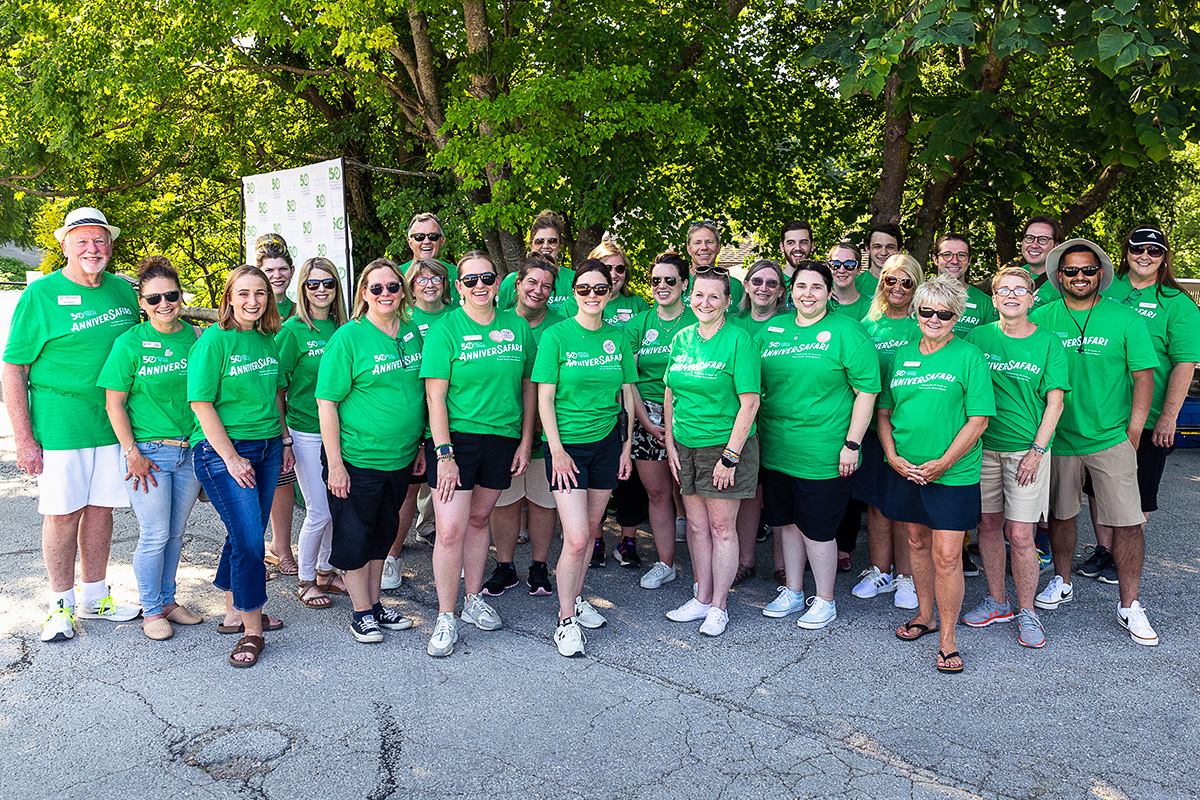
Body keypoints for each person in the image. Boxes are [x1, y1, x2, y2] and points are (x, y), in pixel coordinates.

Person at [4, 207, 141, 643]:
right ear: (64, 245)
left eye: (100, 240)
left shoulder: (123, 292)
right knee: (63, 515)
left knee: (101, 509)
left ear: (110, 246)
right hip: (61, 425)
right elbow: (13, 369)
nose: (92, 249)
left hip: (114, 425)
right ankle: (58, 606)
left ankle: (95, 597)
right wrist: (24, 438)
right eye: (81, 240)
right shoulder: (41, 294)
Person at [1029, 239, 1159, 646]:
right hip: (1059, 439)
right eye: (1071, 271)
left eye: (1088, 270)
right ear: (1058, 276)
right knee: (1062, 518)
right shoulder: (1042, 318)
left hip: (1110, 437)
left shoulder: (1126, 319)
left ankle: (1130, 606)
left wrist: (1134, 432)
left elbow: (1144, 378)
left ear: (1100, 274)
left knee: (1128, 523)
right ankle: (1062, 582)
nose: (1080, 277)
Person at [420, 251, 536, 657]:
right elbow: (435, 397)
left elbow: (528, 387)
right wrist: (444, 453)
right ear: (459, 287)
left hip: (502, 438)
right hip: (456, 442)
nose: (480, 286)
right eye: (470, 280)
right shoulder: (445, 329)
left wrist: (525, 441)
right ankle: (445, 616)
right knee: (450, 530)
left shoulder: (518, 326)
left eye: (486, 278)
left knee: (479, 519)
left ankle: (472, 600)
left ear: (497, 281)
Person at [878, 276, 995, 673]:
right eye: (926, 311)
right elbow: (885, 411)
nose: (934, 319)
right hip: (907, 468)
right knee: (915, 539)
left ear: (957, 316)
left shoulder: (969, 356)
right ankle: (924, 616)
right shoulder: (902, 354)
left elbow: (978, 419)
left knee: (948, 555)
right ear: (916, 311)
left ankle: (948, 638)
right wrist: (892, 456)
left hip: (953, 472)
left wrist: (944, 462)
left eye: (944, 313)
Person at [756, 261, 879, 629]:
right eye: (800, 286)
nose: (807, 293)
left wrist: (852, 443)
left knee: (818, 529)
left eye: (815, 287)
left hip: (824, 450)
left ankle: (825, 599)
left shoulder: (847, 331)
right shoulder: (773, 330)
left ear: (829, 292)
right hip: (777, 448)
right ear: (789, 291)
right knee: (788, 524)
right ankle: (793, 592)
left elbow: (867, 391)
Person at [1077, 226, 1200, 584]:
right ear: (1125, 252)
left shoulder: (1178, 304)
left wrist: (1169, 418)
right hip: (1101, 414)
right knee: (1097, 488)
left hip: (1148, 418)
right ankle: (1104, 550)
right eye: (1137, 249)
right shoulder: (1105, 290)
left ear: (1164, 258)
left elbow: (1184, 362)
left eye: (1154, 250)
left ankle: (1122, 552)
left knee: (1140, 489)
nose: (1144, 256)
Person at [189, 265, 292, 668]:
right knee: (251, 541)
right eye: (244, 293)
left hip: (267, 448)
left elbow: (274, 398)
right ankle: (252, 629)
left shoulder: (268, 339)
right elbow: (201, 403)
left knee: (242, 533)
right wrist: (231, 457)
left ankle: (235, 612)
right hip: (224, 451)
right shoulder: (215, 341)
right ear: (229, 297)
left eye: (260, 293)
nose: (253, 301)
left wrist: (284, 441)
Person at [316, 258, 423, 643]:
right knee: (355, 535)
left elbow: (420, 394)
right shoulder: (348, 337)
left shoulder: (412, 333)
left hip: (400, 458)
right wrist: (337, 465)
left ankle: (375, 605)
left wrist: (422, 444)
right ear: (364, 293)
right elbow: (326, 402)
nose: (385, 294)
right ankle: (360, 612)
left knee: (382, 532)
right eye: (376, 288)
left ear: (403, 291)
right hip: (356, 459)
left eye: (393, 287)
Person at [533, 260, 637, 656]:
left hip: (607, 444)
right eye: (584, 289)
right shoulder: (557, 335)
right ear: (573, 292)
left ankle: (576, 597)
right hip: (567, 447)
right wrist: (555, 450)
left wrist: (626, 448)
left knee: (592, 532)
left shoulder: (619, 337)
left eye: (600, 288)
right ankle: (565, 621)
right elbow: (544, 397)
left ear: (610, 291)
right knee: (577, 538)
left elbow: (627, 394)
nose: (592, 295)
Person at [98, 256, 204, 640]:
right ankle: (151, 610)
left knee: (176, 533)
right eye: (154, 298)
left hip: (189, 451)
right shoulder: (129, 343)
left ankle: (169, 601)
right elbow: (114, 403)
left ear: (180, 296)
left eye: (171, 295)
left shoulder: (196, 338)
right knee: (155, 533)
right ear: (141, 303)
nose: (164, 304)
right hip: (148, 454)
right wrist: (132, 452)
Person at [964, 268, 1068, 649]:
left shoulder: (1048, 343)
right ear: (993, 299)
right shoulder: (978, 337)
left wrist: (1037, 452)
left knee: (1021, 535)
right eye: (1003, 290)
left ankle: (1028, 611)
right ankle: (998, 601)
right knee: (988, 526)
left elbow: (1055, 402)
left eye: (1019, 290)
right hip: (982, 448)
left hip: (1027, 451)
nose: (1011, 295)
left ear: (1031, 298)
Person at [664, 269, 761, 637]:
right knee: (698, 526)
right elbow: (671, 391)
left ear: (726, 302)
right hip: (685, 445)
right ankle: (701, 598)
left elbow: (749, 404)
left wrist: (730, 456)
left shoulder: (739, 341)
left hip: (724, 448)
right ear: (691, 296)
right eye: (699, 295)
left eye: (714, 297)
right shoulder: (683, 338)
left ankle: (719, 605)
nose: (705, 303)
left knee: (722, 528)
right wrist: (671, 443)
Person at [485, 258, 565, 597]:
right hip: (504, 430)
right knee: (504, 499)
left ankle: (539, 566)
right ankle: (505, 566)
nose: (538, 290)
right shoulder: (497, 322)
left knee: (543, 500)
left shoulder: (563, 327)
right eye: (532, 282)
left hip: (548, 432)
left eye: (546, 286)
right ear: (517, 285)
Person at [850, 254, 923, 609]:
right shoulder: (867, 325)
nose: (898, 288)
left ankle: (907, 578)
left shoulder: (922, 324)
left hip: (908, 428)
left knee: (903, 506)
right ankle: (880, 570)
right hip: (870, 426)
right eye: (891, 280)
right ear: (881, 283)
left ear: (916, 286)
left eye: (906, 282)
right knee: (877, 503)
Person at [572, 242, 650, 569]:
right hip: (576, 428)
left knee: (626, 483)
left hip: (615, 420)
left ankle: (626, 539)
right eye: (588, 285)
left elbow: (628, 385)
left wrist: (631, 433)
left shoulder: (631, 316)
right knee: (585, 517)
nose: (612, 276)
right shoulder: (567, 325)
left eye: (618, 270)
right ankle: (595, 541)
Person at [380, 257, 454, 590]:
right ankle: (392, 557)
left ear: (446, 282)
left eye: (436, 277)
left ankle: (454, 555)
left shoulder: (458, 316)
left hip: (453, 420)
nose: (429, 283)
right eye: (421, 279)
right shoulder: (402, 320)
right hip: (413, 421)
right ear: (410, 285)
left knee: (452, 492)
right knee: (407, 492)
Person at [277, 257, 347, 609]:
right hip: (305, 431)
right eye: (313, 284)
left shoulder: (346, 327)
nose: (321, 290)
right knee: (318, 510)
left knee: (335, 506)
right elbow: (276, 388)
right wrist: (285, 437)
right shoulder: (291, 331)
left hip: (344, 432)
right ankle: (305, 580)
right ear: (302, 288)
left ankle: (325, 573)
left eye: (328, 283)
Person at [626, 253, 697, 590]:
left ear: (685, 283)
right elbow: (629, 380)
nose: (662, 286)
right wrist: (646, 420)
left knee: (695, 493)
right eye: (656, 280)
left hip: (690, 413)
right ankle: (665, 563)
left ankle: (705, 569)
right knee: (658, 494)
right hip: (647, 415)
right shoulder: (639, 323)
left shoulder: (699, 320)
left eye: (671, 280)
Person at [727, 258, 788, 584]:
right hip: (741, 424)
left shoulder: (792, 325)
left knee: (778, 493)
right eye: (757, 281)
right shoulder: (732, 324)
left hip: (779, 421)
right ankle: (744, 562)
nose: (763, 288)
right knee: (748, 493)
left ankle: (782, 565)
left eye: (771, 283)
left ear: (781, 292)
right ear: (747, 286)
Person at [256, 234, 300, 576]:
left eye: (282, 268)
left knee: (284, 479)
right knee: (252, 484)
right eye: (269, 269)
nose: (276, 275)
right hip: (259, 402)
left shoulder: (299, 310)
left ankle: (281, 546)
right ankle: (258, 549)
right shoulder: (252, 307)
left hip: (295, 400)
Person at [498, 210, 572, 311]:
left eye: (552, 241)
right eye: (539, 241)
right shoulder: (511, 281)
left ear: (560, 245)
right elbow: (501, 319)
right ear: (531, 245)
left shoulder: (574, 279)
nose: (546, 246)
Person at [932, 233, 995, 333]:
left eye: (961, 255)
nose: (955, 261)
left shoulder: (986, 304)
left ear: (969, 260)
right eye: (947, 255)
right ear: (935, 259)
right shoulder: (917, 297)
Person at [399, 212, 458, 305]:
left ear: (442, 241)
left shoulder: (457, 274)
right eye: (419, 237)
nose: (426, 241)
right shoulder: (396, 275)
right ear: (410, 243)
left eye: (433, 236)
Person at [684, 221, 745, 308]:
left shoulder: (735, 286)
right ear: (689, 249)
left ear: (718, 247)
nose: (704, 247)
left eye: (709, 242)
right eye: (697, 243)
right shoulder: (675, 283)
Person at [1018, 216, 1065, 309]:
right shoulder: (1017, 274)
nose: (1034, 245)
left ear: (1056, 246)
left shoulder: (1063, 283)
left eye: (1043, 239)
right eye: (1029, 238)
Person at [828, 241, 871, 323]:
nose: (841, 270)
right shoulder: (819, 303)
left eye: (849, 265)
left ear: (859, 269)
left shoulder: (870, 307)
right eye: (835, 264)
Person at [857, 223, 902, 297]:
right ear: (867, 249)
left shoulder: (907, 285)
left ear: (899, 250)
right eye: (877, 246)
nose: (883, 252)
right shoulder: (855, 285)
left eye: (890, 247)